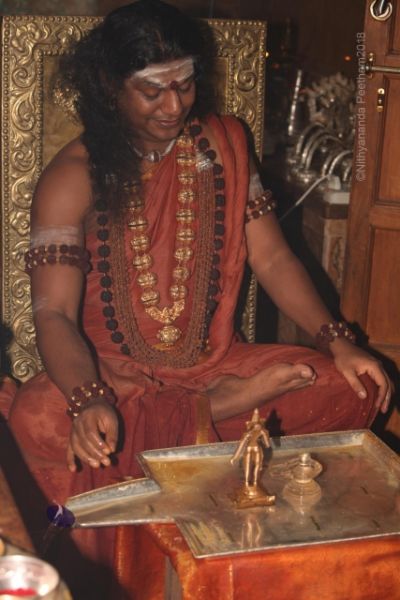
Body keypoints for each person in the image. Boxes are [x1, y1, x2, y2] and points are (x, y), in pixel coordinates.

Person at [7, 0, 391, 596]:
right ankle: (216, 410)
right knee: (36, 420)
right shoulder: (73, 176)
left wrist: (337, 341)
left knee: (352, 384)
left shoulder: (223, 142)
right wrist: (88, 398)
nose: (174, 106)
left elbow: (272, 258)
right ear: (110, 88)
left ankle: (208, 407)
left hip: (218, 361)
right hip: (117, 377)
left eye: (184, 85)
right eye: (152, 91)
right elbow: (53, 312)